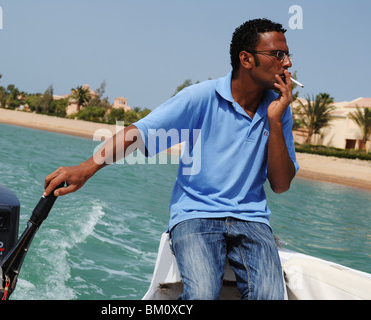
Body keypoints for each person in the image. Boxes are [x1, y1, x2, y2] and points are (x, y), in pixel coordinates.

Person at [44, 18, 299, 300]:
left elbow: (281, 184)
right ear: (246, 59)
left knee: (271, 296)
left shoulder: (279, 109)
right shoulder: (201, 98)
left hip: (252, 219)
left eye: (287, 55)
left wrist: (275, 121)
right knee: (201, 295)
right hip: (196, 214)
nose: (287, 63)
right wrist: (85, 168)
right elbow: (138, 133)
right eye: (278, 55)